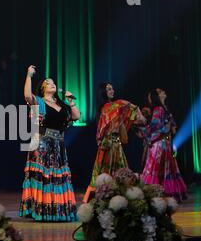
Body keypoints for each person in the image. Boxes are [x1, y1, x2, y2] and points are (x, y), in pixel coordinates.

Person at [19, 65, 80, 222]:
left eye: (53, 82)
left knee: (57, 178)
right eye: (48, 82)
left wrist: (71, 101)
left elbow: (76, 116)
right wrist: (29, 75)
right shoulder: (38, 101)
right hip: (42, 144)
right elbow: (27, 95)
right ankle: (43, 210)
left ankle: (57, 210)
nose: (52, 83)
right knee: (44, 177)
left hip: (58, 146)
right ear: (42, 88)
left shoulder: (61, 105)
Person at [83, 82, 146, 203]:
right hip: (108, 146)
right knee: (105, 173)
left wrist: (138, 115)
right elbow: (126, 105)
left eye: (112, 88)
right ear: (103, 93)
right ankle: (102, 200)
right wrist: (138, 113)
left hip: (117, 145)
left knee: (120, 172)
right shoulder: (108, 107)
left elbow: (127, 111)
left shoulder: (115, 107)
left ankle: (122, 199)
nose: (112, 91)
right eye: (108, 89)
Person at [141, 88, 187, 201]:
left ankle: (165, 194)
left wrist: (170, 126)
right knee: (156, 169)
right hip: (159, 145)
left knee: (166, 169)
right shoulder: (158, 109)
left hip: (165, 144)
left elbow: (172, 127)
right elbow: (154, 127)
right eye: (161, 91)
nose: (164, 92)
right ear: (157, 96)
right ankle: (153, 195)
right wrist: (166, 126)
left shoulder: (164, 108)